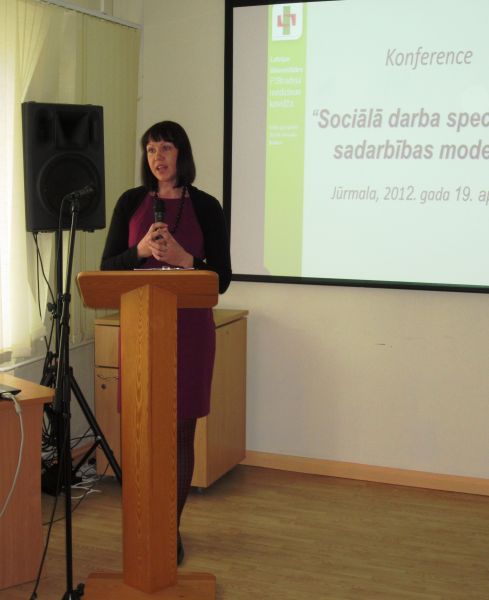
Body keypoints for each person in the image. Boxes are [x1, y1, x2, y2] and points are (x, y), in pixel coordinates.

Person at [100, 120, 232, 565]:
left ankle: (167, 530)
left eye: (166, 148)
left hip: (190, 333)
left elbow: (222, 278)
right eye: (151, 149)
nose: (158, 157)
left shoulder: (207, 206)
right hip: (140, 330)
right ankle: (144, 525)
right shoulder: (130, 202)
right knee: (141, 433)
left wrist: (184, 259)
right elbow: (107, 267)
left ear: (182, 154)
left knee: (180, 433)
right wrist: (139, 253)